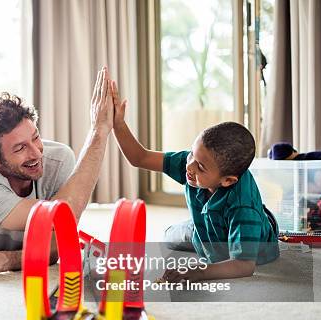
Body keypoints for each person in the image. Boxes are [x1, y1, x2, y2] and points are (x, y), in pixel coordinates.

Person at [0, 67, 114, 276]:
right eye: (20, 148)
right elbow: (61, 222)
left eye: (35, 137)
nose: (36, 153)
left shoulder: (58, 158)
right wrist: (98, 132)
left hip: (2, 205)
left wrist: (3, 260)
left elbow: (60, 242)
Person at [109, 80, 279, 282]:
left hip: (255, 244)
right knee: (168, 237)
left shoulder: (243, 208)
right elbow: (140, 157)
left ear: (227, 181)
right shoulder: (195, 161)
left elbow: (243, 266)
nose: (189, 167)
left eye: (201, 167)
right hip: (204, 231)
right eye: (192, 154)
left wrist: (195, 272)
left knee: (228, 256)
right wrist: (117, 123)